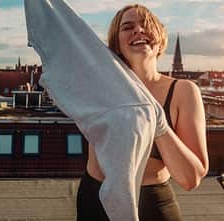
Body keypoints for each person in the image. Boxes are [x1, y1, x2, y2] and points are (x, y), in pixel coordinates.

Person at [77, 4, 209, 221]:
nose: (138, 30)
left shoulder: (183, 91)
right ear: (117, 44)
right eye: (128, 27)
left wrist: (159, 124)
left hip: (153, 204)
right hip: (97, 201)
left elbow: (190, 178)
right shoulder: (99, 86)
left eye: (146, 25)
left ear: (160, 39)